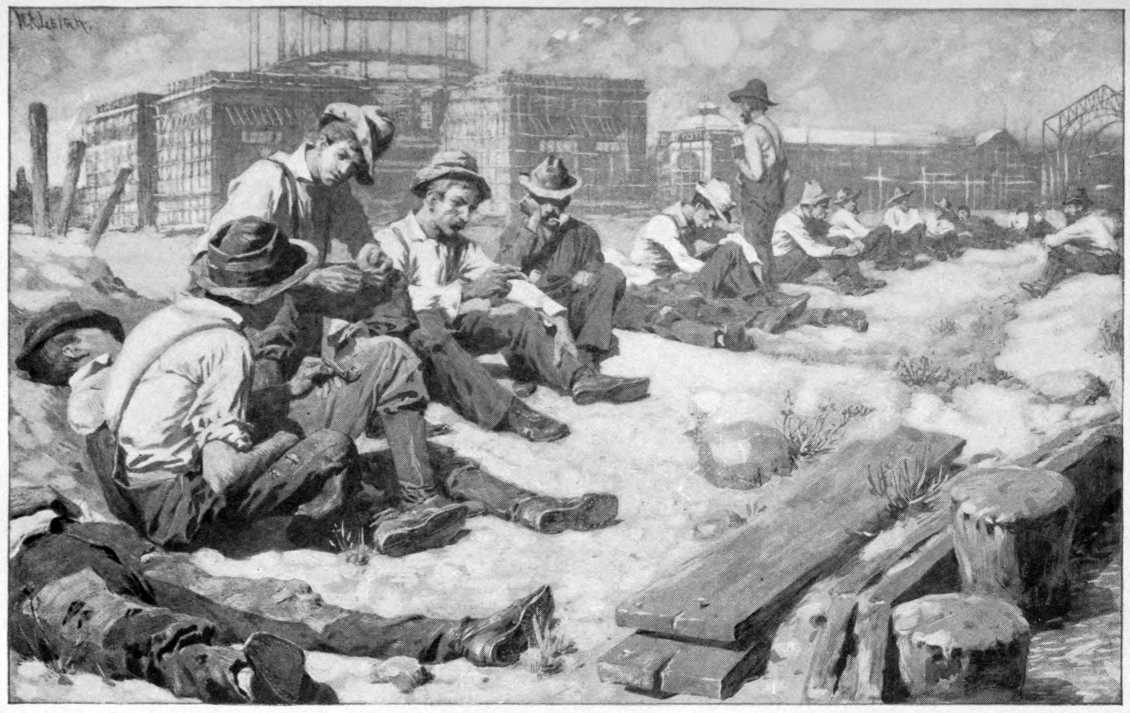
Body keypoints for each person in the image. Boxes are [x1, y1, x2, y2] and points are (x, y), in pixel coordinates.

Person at [16, 287, 621, 551]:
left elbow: (194, 430)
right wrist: (278, 428)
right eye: (101, 328)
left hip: (211, 482)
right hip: (206, 501)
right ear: (74, 349)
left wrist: (281, 399)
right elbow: (200, 462)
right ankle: (427, 504)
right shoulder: (99, 389)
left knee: (396, 432)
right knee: (385, 372)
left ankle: (521, 506)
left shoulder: (111, 388)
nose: (118, 333)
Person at [9, 485, 556, 703]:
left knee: (259, 602)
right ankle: (245, 678)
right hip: (32, 567)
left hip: (96, 537)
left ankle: (460, 635)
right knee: (129, 631)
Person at [377, 149, 650, 427]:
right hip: (409, 348)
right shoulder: (392, 240)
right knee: (429, 327)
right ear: (432, 200)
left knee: (520, 317)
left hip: (449, 337)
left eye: (471, 208)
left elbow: (508, 278)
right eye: (458, 204)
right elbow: (396, 306)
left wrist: (556, 315)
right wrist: (468, 292)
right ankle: (508, 413)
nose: (465, 216)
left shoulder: (461, 246)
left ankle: (579, 377)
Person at [614, 179, 867, 352]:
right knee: (730, 267)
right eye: (710, 216)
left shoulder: (692, 222)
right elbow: (684, 261)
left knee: (732, 271)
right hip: (659, 286)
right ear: (699, 206)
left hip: (678, 282)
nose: (709, 223)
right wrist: (721, 266)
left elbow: (732, 238)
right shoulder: (663, 223)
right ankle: (766, 301)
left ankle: (783, 306)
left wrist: (746, 265)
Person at [495, 154, 625, 371]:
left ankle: (586, 352)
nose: (548, 209)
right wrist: (533, 222)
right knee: (516, 314)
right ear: (528, 199)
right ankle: (525, 369)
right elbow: (505, 270)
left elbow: (596, 269)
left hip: (568, 313)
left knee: (611, 272)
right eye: (540, 200)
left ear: (566, 201)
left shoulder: (583, 233)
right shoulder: (517, 231)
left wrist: (589, 273)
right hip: (533, 315)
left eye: (555, 201)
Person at [772, 180, 886, 296]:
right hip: (782, 269)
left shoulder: (809, 217)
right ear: (810, 206)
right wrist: (840, 251)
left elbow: (833, 230)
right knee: (819, 243)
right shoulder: (792, 220)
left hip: (797, 262)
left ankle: (858, 279)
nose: (826, 211)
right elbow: (811, 248)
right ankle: (846, 284)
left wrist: (854, 239)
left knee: (836, 239)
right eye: (823, 207)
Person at [730, 77, 789, 291]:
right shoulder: (772, 128)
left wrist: (738, 159)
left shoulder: (753, 132)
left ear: (750, 104)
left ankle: (763, 291)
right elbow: (785, 172)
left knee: (756, 244)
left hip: (758, 197)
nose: (740, 107)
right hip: (774, 195)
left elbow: (755, 174)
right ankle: (769, 288)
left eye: (743, 103)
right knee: (765, 243)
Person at [1019, 187, 1122, 298]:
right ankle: (1048, 281)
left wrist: (1043, 227)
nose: (1066, 211)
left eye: (1069, 207)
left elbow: (1054, 240)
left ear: (1080, 207)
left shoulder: (1084, 224)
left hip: (1105, 263)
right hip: (1111, 261)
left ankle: (1041, 286)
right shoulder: (1093, 219)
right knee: (1068, 248)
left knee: (1058, 251)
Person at [826, 187, 901, 269]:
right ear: (842, 204)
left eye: (854, 200)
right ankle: (880, 261)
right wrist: (877, 230)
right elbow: (862, 232)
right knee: (884, 230)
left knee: (881, 233)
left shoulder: (844, 214)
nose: (854, 204)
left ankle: (884, 258)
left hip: (850, 244)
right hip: (848, 247)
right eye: (849, 202)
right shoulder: (844, 214)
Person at [882, 187, 928, 264]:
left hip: (913, 233)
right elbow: (890, 225)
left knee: (919, 227)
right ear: (897, 202)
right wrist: (899, 230)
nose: (904, 202)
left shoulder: (913, 211)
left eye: (906, 199)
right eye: (901, 200)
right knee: (916, 229)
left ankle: (918, 252)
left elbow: (918, 221)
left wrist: (922, 223)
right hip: (900, 235)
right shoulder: (892, 211)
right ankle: (915, 253)